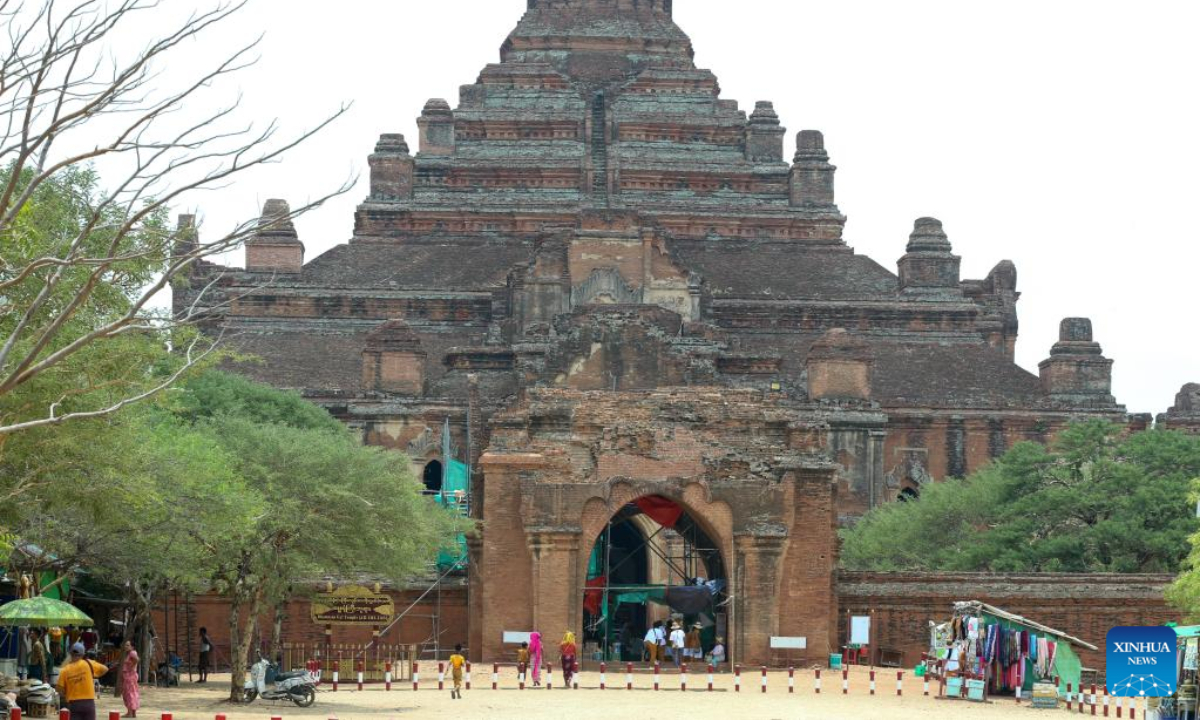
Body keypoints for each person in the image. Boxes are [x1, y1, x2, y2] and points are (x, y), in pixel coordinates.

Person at [57, 642, 107, 720]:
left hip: (73, 704)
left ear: (70, 653)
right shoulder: (89, 663)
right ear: (83, 654)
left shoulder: (65, 670)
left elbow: (59, 689)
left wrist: (67, 692)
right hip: (89, 703)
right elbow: (105, 669)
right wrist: (93, 675)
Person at [120, 641, 140, 718]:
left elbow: (137, 660)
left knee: (129, 694)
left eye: (128, 645)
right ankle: (133, 713)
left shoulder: (132, 653)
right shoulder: (130, 653)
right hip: (129, 676)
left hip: (130, 677)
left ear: (132, 646)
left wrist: (132, 667)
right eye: (125, 645)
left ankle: (130, 713)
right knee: (132, 694)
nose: (126, 646)